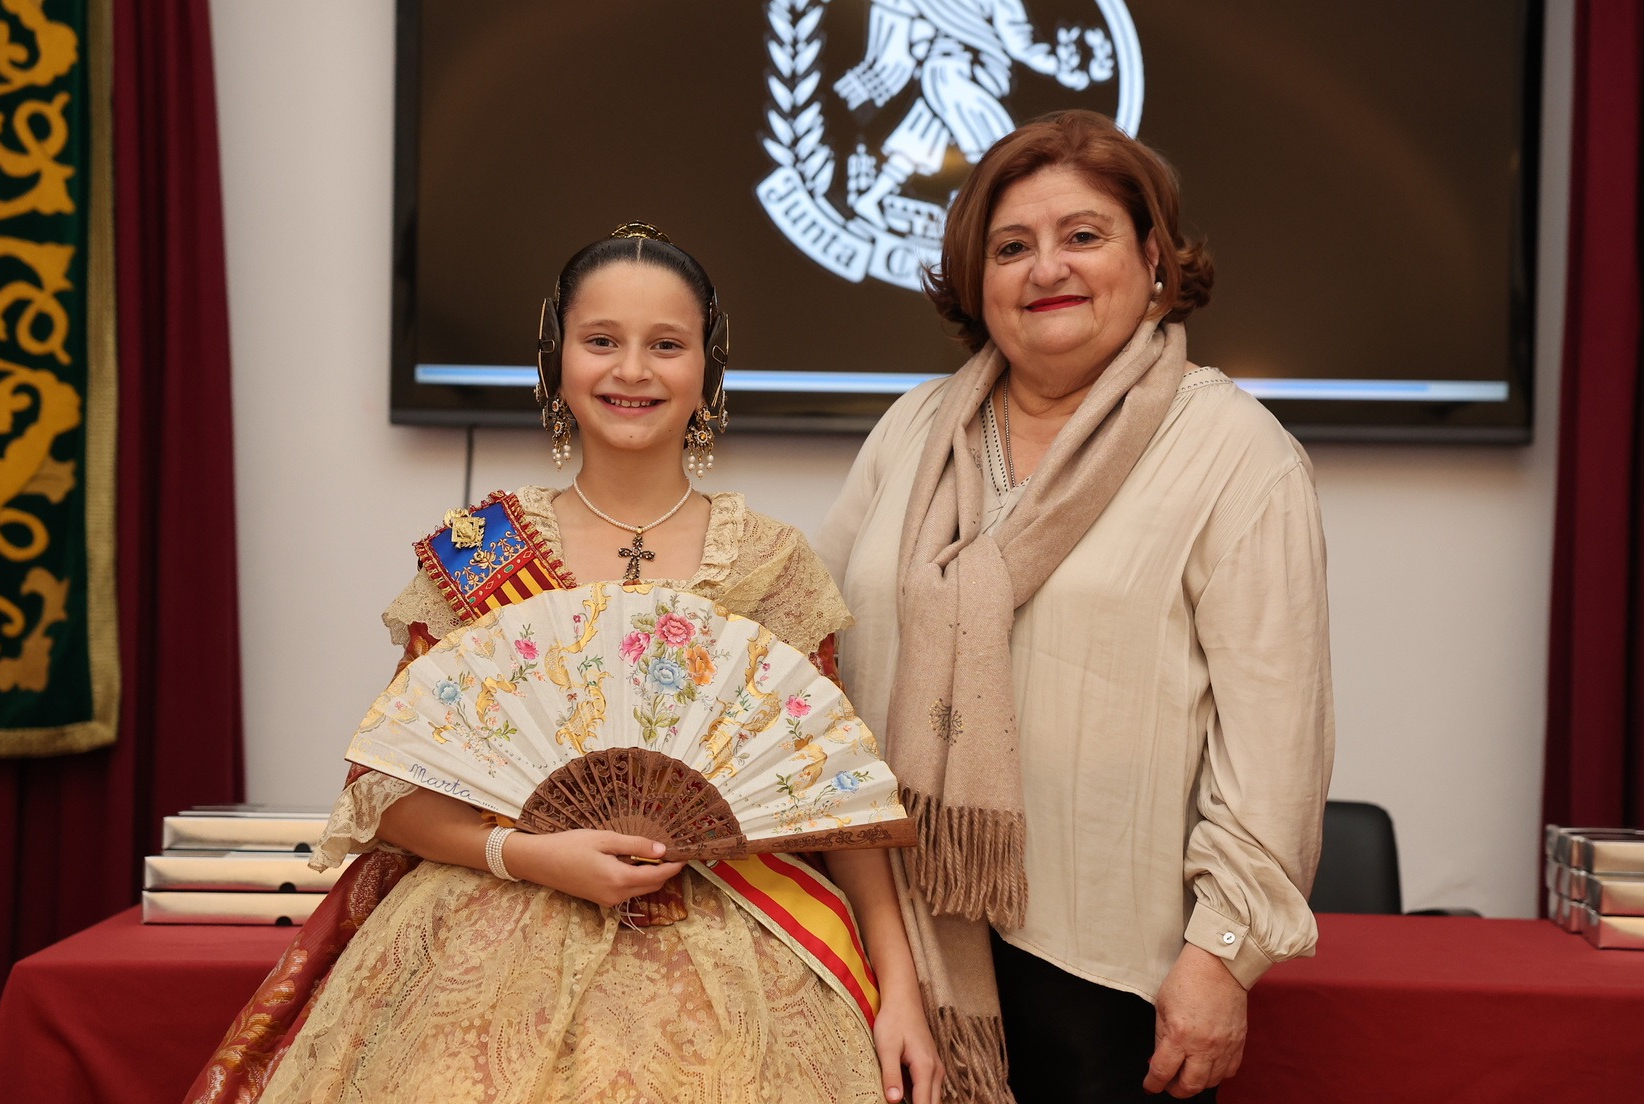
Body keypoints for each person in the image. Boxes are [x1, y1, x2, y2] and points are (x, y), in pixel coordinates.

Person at [187, 224, 943, 1104]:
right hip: (490, 924)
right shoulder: (482, 550)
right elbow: (390, 791)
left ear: (708, 367)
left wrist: (900, 992)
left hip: (739, 939)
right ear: (556, 360)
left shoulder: (773, 565)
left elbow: (835, 802)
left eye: (667, 344)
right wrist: (529, 855)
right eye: (602, 341)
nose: (634, 370)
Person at [814, 110, 1334, 1103]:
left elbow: (1277, 741)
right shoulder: (914, 429)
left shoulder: (1235, 451)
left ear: (1153, 259)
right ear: (976, 279)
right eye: (1012, 247)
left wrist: (1221, 959)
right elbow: (814, 648)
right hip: (900, 951)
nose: (1046, 267)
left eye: (1083, 235)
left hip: (1113, 973)